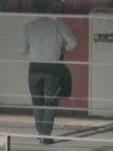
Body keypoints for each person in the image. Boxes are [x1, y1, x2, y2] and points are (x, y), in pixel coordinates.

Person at [23, 8, 75, 142]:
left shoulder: (28, 27)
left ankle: (40, 131)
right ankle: (45, 135)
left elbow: (23, 49)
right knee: (50, 102)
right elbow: (73, 42)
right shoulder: (58, 25)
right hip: (53, 66)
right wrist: (62, 48)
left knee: (36, 100)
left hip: (34, 67)